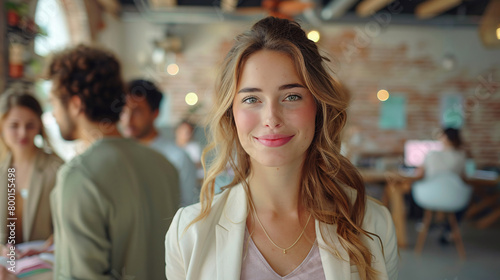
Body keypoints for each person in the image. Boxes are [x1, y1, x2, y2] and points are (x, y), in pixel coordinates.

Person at [165, 17, 398, 280]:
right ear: (232, 114)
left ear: (318, 109)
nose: (272, 118)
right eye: (252, 99)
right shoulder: (188, 233)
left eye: (291, 96)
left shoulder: (372, 225)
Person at [46, 44, 180, 279]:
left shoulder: (79, 176)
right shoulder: (164, 166)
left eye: (54, 102)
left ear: (76, 105)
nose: (53, 113)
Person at [0, 90, 63, 256]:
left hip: (44, 264)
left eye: (30, 125)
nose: (22, 133)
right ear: (1, 126)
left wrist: (43, 249)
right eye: (14, 126)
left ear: (39, 126)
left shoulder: (58, 169)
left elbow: (69, 227)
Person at [121, 79, 199, 206]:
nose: (128, 119)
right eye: (123, 111)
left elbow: (187, 208)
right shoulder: (118, 154)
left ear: (155, 113)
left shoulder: (177, 158)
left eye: (138, 111)